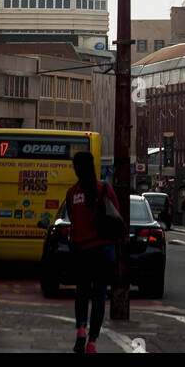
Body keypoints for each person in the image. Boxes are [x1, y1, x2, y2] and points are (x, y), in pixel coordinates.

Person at [64, 150, 120, 354]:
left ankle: (80, 328)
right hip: (103, 250)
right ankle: (92, 342)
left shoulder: (71, 193)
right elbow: (116, 216)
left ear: (76, 170)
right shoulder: (104, 189)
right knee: (99, 296)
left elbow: (72, 220)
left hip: (81, 251)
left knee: (81, 292)